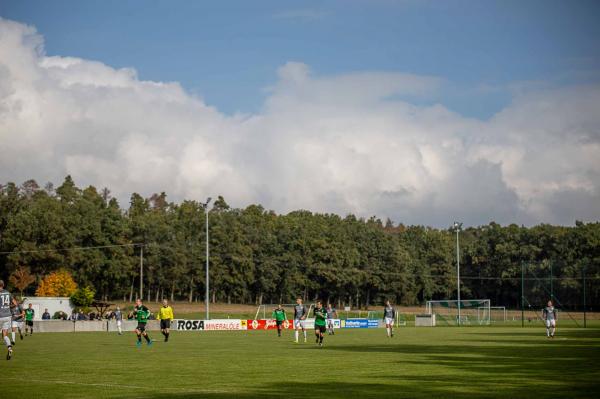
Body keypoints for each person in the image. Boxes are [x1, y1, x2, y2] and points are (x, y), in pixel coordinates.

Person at [0, 280, 14, 360]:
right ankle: (9, 348)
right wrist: (8, 307)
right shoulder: (8, 293)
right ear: (3, 285)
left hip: (0, 316)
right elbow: (15, 304)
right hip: (8, 316)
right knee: (5, 335)